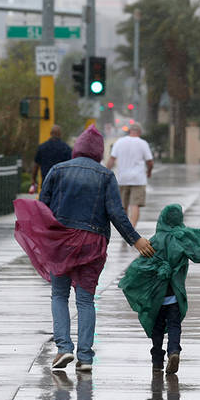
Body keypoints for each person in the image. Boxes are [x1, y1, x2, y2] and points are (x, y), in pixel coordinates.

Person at [14, 125, 155, 372]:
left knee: (59, 294)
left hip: (61, 241)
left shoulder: (58, 170)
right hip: (93, 242)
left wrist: (41, 239)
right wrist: (135, 239)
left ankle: (64, 348)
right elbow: (116, 213)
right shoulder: (105, 176)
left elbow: (42, 208)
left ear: (77, 148)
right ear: (99, 152)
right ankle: (86, 357)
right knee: (85, 299)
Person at [118, 203, 200, 375]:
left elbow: (139, 267)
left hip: (157, 295)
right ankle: (174, 351)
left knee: (157, 328)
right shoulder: (182, 238)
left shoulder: (156, 240)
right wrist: (192, 233)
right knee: (174, 325)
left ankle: (157, 360)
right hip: (175, 294)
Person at [107, 123, 154, 228]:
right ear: (140, 132)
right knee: (135, 204)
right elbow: (150, 161)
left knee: (123, 205)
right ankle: (132, 228)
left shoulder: (119, 142)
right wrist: (149, 171)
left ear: (129, 131)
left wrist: (106, 173)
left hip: (122, 179)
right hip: (138, 179)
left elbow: (112, 159)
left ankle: (125, 228)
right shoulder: (143, 143)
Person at [30, 125, 72, 194]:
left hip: (46, 183)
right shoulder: (66, 148)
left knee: (44, 204)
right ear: (60, 134)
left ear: (50, 133)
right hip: (61, 185)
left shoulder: (42, 147)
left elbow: (36, 166)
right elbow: (70, 167)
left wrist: (33, 180)